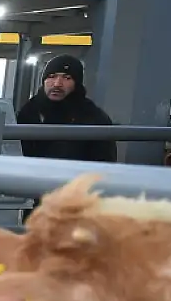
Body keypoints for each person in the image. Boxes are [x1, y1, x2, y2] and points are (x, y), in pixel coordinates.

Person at [17, 54, 116, 222]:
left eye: (67, 78)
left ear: (76, 83)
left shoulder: (93, 117)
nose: (57, 84)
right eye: (51, 76)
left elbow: (104, 164)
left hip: (74, 203)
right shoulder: (29, 111)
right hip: (32, 199)